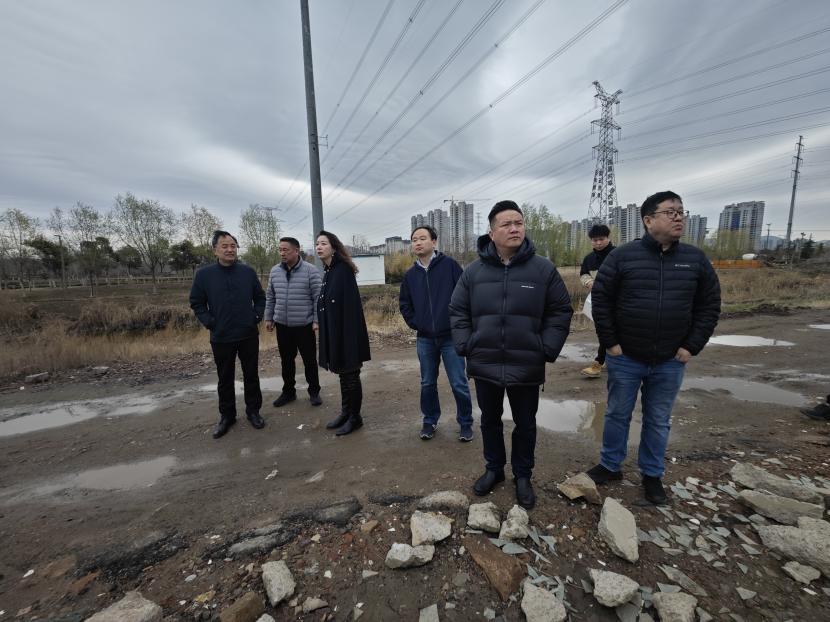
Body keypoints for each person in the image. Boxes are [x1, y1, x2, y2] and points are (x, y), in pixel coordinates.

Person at [587, 191, 721, 505]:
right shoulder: (624, 257)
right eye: (670, 212)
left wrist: (691, 346)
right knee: (617, 414)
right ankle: (610, 465)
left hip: (671, 359)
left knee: (658, 419)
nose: (678, 217)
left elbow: (709, 305)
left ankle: (652, 474)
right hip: (626, 357)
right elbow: (601, 301)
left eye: (681, 211)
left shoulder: (695, 260)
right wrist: (611, 344)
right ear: (648, 220)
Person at [450, 200, 573, 509]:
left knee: (525, 423)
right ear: (492, 233)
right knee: (489, 420)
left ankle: (522, 475)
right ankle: (494, 469)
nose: (515, 228)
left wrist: (546, 348)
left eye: (519, 222)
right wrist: (467, 344)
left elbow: (560, 310)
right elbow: (457, 310)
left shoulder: (542, 269)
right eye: (507, 224)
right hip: (485, 361)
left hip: (526, 363)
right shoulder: (473, 272)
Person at [400, 225, 474, 442]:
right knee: (427, 383)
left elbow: (465, 296)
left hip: (450, 337)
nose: (418, 242)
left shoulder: (449, 266)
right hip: (425, 338)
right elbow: (405, 304)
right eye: (414, 239)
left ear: (434, 242)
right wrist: (417, 323)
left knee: (458, 382)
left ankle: (466, 423)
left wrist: (459, 325)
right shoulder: (410, 275)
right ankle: (430, 420)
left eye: (422, 238)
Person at [189, 230, 266, 439]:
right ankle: (227, 416)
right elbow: (196, 302)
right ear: (215, 250)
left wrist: (256, 316)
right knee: (224, 378)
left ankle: (253, 412)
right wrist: (210, 322)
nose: (230, 249)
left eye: (233, 246)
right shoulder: (204, 275)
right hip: (221, 336)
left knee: (251, 375)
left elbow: (260, 298)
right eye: (225, 246)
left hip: (248, 333)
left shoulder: (247, 272)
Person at [315, 230, 371, 436]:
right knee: (343, 374)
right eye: (317, 244)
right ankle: (346, 412)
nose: (319, 247)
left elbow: (349, 308)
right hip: (335, 333)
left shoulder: (343, 270)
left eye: (323, 243)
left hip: (347, 334)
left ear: (334, 247)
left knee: (351, 375)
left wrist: (346, 339)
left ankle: (355, 418)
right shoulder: (329, 271)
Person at [265, 237, 323, 408]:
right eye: (280, 250)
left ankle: (314, 392)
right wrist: (269, 317)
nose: (282, 253)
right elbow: (271, 296)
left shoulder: (310, 271)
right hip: (282, 325)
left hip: (304, 325)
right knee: (286, 361)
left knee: (309, 361)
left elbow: (318, 298)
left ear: (296, 251)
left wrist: (316, 320)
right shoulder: (275, 271)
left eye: (286, 250)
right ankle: (289, 392)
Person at [579, 223, 615, 378]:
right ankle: (605, 359)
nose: (598, 243)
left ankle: (599, 362)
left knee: (613, 330)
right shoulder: (589, 259)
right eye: (595, 240)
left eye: (601, 239)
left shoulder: (618, 254)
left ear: (608, 238)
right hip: (599, 301)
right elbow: (583, 274)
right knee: (603, 329)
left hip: (619, 301)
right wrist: (589, 282)